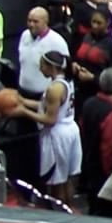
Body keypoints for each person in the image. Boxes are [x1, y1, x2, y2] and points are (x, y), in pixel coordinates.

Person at [21, 50, 81, 200]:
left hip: (58, 135)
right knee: (66, 178)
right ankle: (70, 210)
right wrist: (22, 101)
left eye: (42, 66)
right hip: (70, 129)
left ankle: (58, 215)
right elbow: (46, 105)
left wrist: (23, 112)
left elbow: (49, 119)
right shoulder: (67, 81)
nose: (40, 69)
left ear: (51, 67)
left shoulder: (54, 89)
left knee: (56, 183)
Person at [79, 67, 112, 210]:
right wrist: (111, 172)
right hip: (102, 173)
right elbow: (110, 147)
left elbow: (82, 127)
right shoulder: (111, 114)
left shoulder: (88, 103)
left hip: (88, 163)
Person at [16, 7, 68, 97]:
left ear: (46, 21)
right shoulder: (24, 35)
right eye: (29, 21)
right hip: (22, 91)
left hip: (45, 95)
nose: (31, 24)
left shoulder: (57, 41)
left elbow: (66, 70)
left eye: (36, 21)